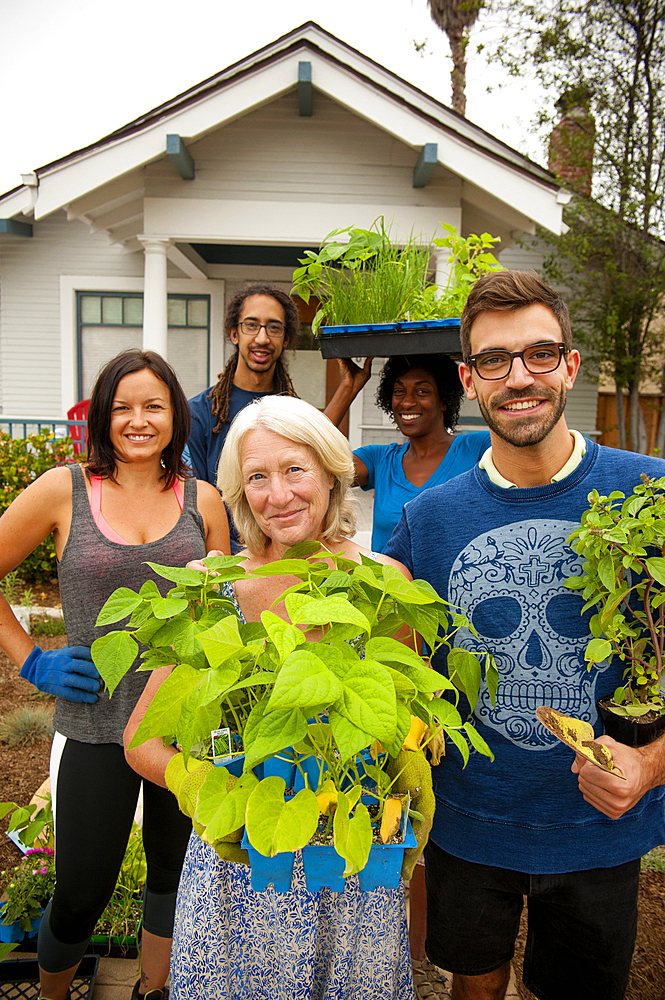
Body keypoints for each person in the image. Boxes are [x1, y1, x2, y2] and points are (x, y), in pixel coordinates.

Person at [385, 271, 665, 1000]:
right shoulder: (427, 521)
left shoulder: (650, 499)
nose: (518, 378)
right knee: (472, 985)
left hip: (598, 825)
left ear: (571, 366)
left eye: (539, 354)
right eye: (493, 361)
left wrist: (651, 766)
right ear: (468, 380)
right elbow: (388, 661)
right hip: (468, 823)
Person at [124, 395, 417, 1000]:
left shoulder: (384, 584)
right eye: (257, 477)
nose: (277, 495)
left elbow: (402, 725)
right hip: (240, 870)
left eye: (294, 470)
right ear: (238, 491)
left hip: (350, 860)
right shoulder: (215, 588)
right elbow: (140, 741)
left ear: (332, 473)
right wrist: (213, 790)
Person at [0, 349, 229, 1000]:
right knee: (78, 894)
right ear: (102, 416)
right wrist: (32, 660)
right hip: (95, 725)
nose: (137, 419)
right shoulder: (63, 489)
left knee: (171, 879)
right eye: (122, 406)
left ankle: (153, 991)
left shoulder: (202, 501)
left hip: (180, 729)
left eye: (153, 405)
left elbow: (221, 614)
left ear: (174, 418)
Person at [326, 355, 490, 552]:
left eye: (422, 391)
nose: (407, 402)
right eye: (398, 392)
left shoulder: (477, 449)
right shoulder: (379, 460)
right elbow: (309, 460)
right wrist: (348, 387)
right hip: (388, 583)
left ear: (444, 400)